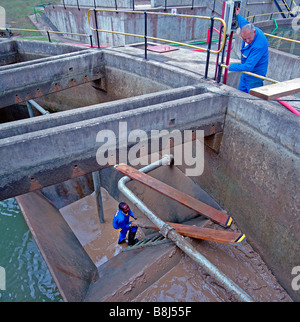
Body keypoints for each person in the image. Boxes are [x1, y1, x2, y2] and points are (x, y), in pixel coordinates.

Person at [228, 7, 269, 93]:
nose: (247, 41)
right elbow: (242, 21)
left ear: (254, 32)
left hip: (255, 76)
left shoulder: (259, 45)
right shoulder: (247, 28)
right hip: (245, 73)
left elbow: (249, 66)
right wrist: (237, 14)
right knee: (241, 93)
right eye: (244, 39)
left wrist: (231, 66)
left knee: (252, 97)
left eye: (249, 39)